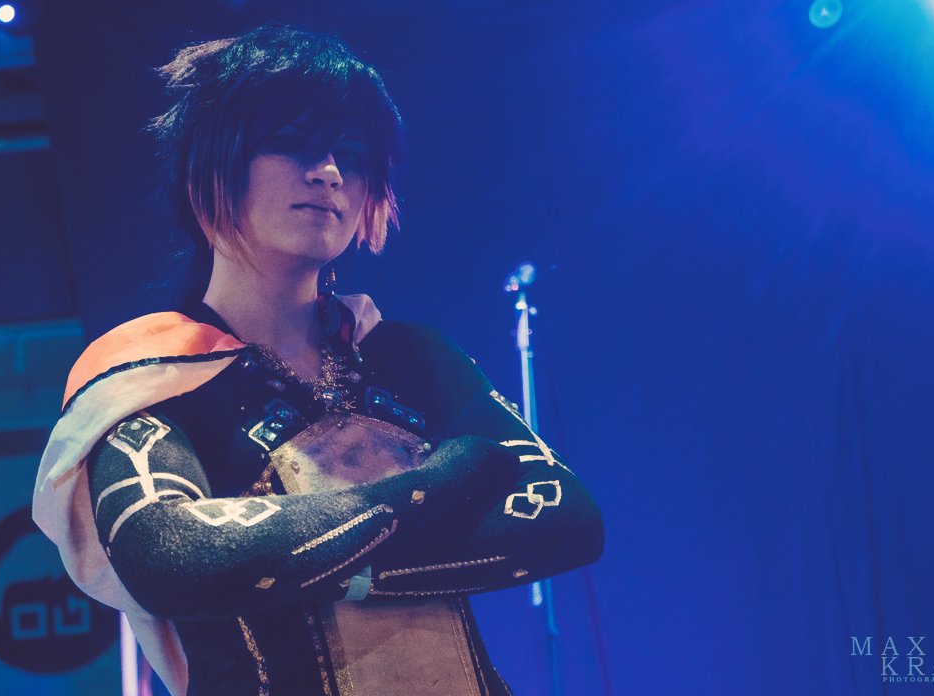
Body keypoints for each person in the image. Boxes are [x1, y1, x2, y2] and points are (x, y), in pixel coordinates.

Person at [33, 24, 603, 696]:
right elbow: (174, 560)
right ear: (208, 165)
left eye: (351, 155)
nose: (329, 171)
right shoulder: (148, 376)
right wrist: (445, 483)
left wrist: (328, 564)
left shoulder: (410, 356)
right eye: (292, 141)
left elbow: (566, 521)